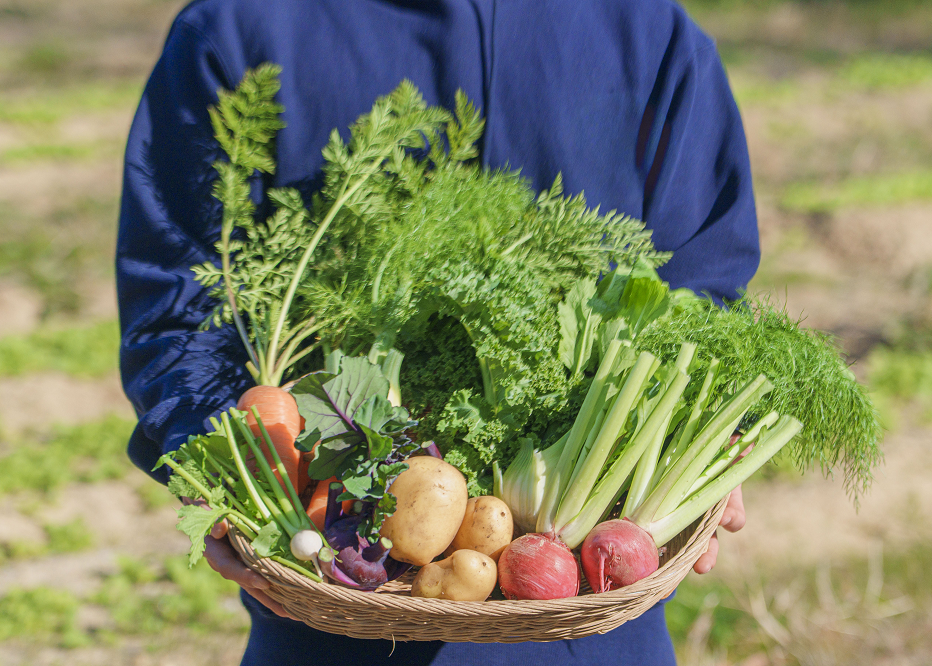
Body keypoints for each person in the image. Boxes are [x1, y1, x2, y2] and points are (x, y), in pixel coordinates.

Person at [116, 0, 757, 663]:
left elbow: (702, 296)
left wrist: (700, 449)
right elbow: (179, 304)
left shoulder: (649, 33)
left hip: (589, 614)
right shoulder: (242, 27)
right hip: (334, 604)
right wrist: (232, 469)